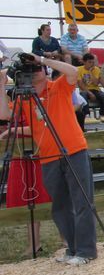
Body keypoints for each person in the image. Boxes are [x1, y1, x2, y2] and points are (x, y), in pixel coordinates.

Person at [5, 54, 97, 264]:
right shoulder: (24, 97)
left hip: (73, 149)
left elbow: (73, 72)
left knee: (82, 201)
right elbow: (5, 114)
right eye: (30, 68)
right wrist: (2, 85)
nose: (34, 71)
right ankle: (73, 249)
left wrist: (42, 59)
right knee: (60, 205)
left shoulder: (57, 87)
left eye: (36, 68)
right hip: (48, 156)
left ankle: (86, 251)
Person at [0, 68, 52, 256]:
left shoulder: (42, 97)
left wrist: (16, 131)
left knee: (50, 196)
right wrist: (2, 85)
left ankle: (66, 238)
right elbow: (5, 116)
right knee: (26, 196)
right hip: (21, 156)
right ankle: (33, 244)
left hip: (41, 153)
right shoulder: (20, 100)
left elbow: (43, 126)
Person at [76, 53, 104, 121]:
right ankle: (87, 114)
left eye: (93, 62)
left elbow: (96, 83)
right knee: (83, 96)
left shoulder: (96, 69)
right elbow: (80, 85)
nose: (91, 64)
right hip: (84, 90)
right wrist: (89, 93)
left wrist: (90, 73)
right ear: (84, 62)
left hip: (95, 89)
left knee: (103, 96)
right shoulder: (79, 69)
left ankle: (102, 114)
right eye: (89, 62)